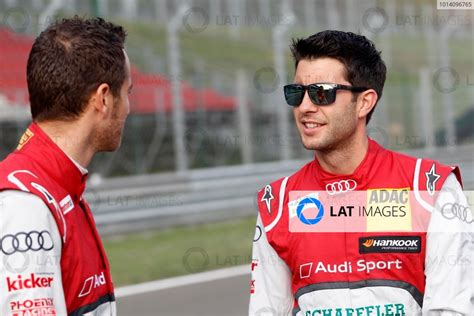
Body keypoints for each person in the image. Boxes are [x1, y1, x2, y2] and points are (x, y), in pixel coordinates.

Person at [249, 31, 473, 315]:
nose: (305, 107)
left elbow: (451, 309)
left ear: (365, 102)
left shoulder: (431, 189)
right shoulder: (277, 204)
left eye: (322, 93)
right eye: (297, 93)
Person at [0, 17, 132, 315]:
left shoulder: (60, 189)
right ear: (103, 99)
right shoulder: (26, 205)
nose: (128, 108)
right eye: (127, 92)